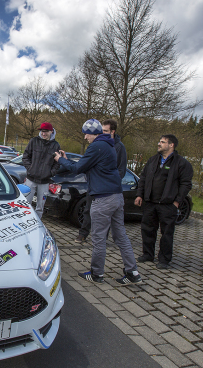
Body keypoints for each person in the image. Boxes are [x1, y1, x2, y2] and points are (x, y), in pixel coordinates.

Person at [54, 119, 142, 285]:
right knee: (121, 236)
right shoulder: (108, 145)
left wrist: (60, 160)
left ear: (93, 133)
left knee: (99, 238)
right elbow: (84, 165)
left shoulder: (96, 146)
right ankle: (133, 272)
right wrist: (67, 160)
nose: (85, 137)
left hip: (103, 199)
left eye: (86, 134)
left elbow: (77, 169)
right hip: (117, 196)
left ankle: (97, 274)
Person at [134, 135, 193, 269]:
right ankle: (148, 254)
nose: (159, 144)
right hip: (150, 203)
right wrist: (140, 195)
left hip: (168, 205)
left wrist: (177, 202)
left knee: (166, 233)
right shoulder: (153, 160)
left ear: (171, 145)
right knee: (147, 230)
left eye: (162, 142)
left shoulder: (181, 163)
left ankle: (164, 259)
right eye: (159, 141)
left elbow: (186, 184)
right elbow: (143, 178)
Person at [76, 118, 127, 243]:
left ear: (112, 132)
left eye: (105, 131)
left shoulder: (119, 147)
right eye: (101, 130)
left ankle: (102, 238)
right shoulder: (97, 145)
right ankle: (83, 233)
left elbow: (120, 169)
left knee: (106, 217)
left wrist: (110, 181)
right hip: (94, 185)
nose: (101, 133)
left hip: (107, 189)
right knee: (88, 210)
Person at [22, 122, 61, 219]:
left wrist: (50, 173)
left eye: (46, 131)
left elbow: (57, 163)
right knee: (26, 204)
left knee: (40, 207)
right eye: (42, 131)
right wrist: (30, 169)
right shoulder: (34, 141)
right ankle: (24, 221)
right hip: (30, 179)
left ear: (51, 131)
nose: (43, 133)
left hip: (44, 182)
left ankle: (37, 223)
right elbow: (25, 157)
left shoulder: (56, 145)